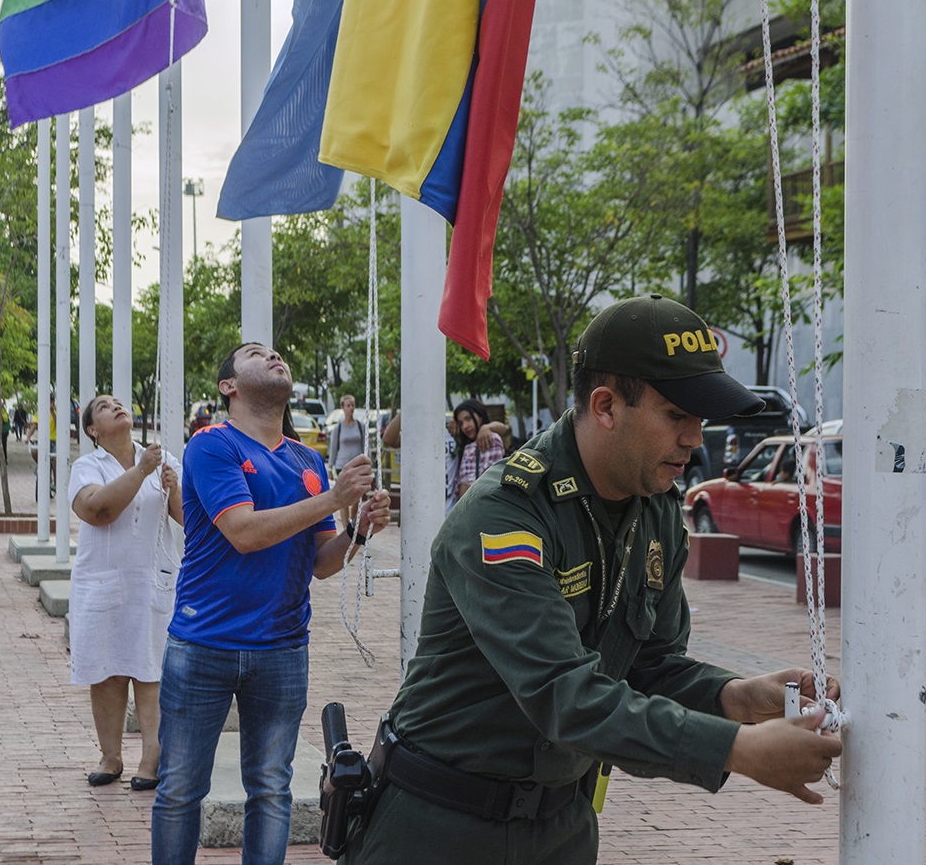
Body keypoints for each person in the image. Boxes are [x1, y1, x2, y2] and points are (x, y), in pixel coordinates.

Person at [341, 294, 842, 865]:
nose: (696, 439)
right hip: (439, 830)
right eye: (678, 415)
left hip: (562, 829)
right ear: (605, 406)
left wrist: (734, 697)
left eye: (701, 419)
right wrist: (739, 749)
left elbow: (648, 666)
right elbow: (565, 696)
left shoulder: (654, 510)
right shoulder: (506, 515)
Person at [151, 342, 391, 865]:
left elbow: (320, 562)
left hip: (283, 647)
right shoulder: (212, 444)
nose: (275, 356)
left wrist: (358, 530)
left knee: (270, 789)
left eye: (278, 353)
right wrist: (333, 499)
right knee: (179, 790)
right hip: (202, 643)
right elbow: (242, 532)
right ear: (228, 386)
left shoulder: (307, 458)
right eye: (257, 354)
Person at [69, 395, 184, 791]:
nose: (116, 406)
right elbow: (98, 510)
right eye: (103, 407)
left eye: (118, 403)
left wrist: (174, 488)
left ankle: (151, 758)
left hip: (151, 581)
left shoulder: (161, 458)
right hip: (100, 582)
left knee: (151, 671)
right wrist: (140, 471)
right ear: (92, 430)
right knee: (106, 672)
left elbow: (188, 519)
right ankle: (110, 755)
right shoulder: (86, 466)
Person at [382, 408, 508, 514]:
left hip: (451, 510)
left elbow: (506, 430)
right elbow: (388, 439)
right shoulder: (419, 433)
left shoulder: (452, 432)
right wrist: (406, 407)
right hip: (422, 511)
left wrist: (487, 427)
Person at [328, 395, 367, 528]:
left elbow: (365, 446)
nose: (351, 408)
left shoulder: (360, 426)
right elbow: (333, 448)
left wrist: (369, 463)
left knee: (357, 495)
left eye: (353, 405)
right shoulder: (338, 428)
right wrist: (330, 468)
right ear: (343, 408)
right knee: (343, 496)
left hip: (358, 465)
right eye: (348, 405)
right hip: (342, 465)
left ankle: (353, 520)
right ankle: (346, 528)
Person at [453, 398, 505, 498]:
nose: (465, 426)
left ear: (480, 416)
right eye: (461, 423)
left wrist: (486, 427)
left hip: (478, 507)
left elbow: (490, 481)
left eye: (468, 419)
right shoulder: (468, 446)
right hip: (465, 508)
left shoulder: (490, 439)